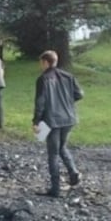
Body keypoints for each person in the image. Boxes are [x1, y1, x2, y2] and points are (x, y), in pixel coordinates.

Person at [32, 50, 83, 197]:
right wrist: (66, 102)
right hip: (69, 118)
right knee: (62, 147)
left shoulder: (43, 79)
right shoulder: (68, 76)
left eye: (41, 62)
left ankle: (55, 188)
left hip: (52, 120)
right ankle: (73, 172)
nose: (40, 65)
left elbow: (40, 102)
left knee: (53, 153)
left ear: (45, 62)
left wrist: (36, 121)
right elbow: (79, 94)